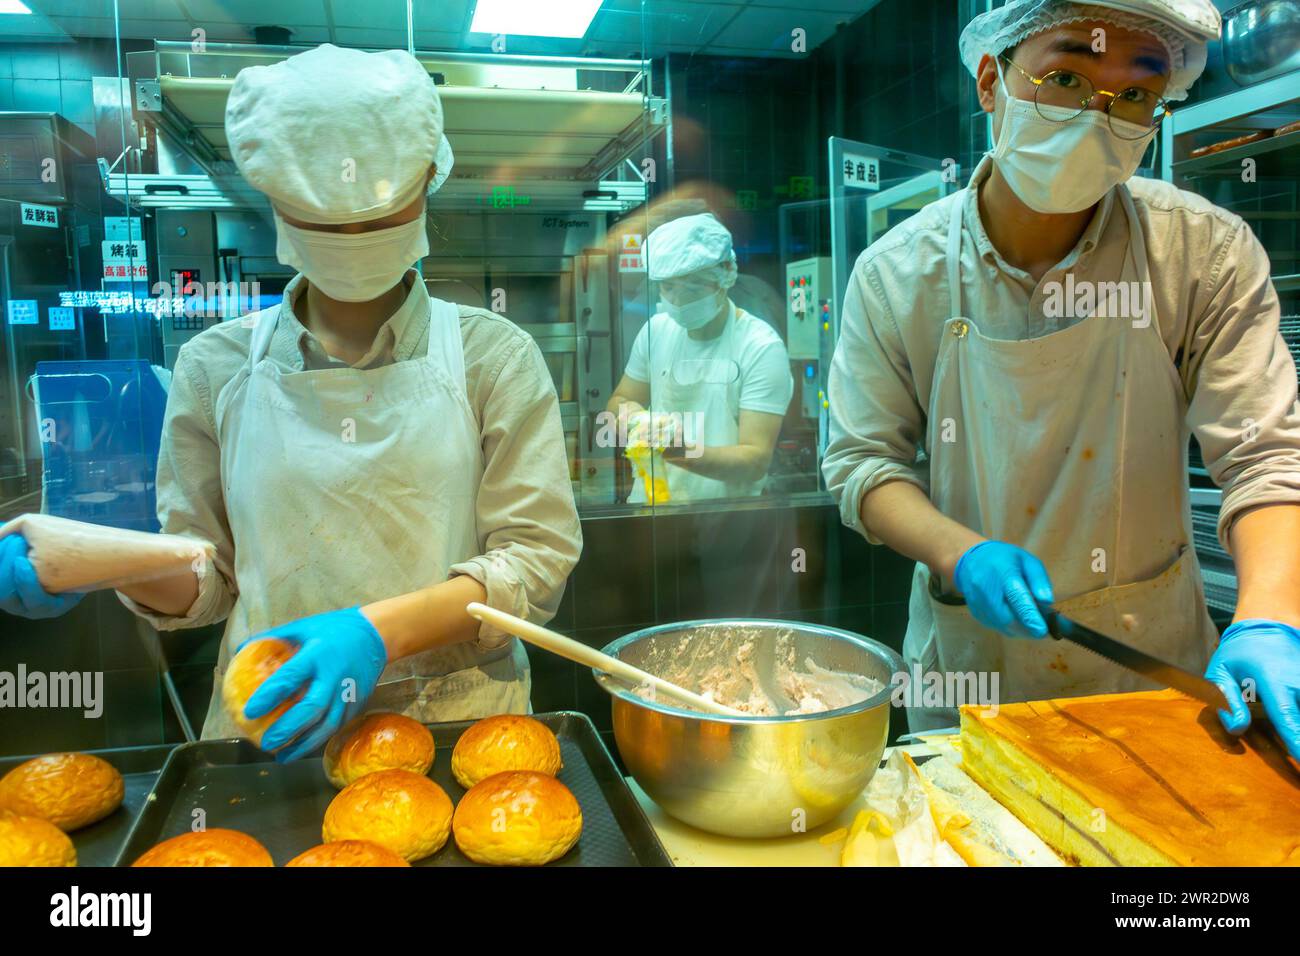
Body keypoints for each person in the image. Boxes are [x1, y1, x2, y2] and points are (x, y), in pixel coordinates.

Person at [0, 44, 581, 758]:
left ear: (429, 181)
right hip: (272, 725)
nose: (355, 241)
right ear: (273, 201)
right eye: (325, 222)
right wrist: (104, 565)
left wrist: (376, 632)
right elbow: (207, 577)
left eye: (377, 217)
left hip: (460, 730)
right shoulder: (214, 365)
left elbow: (536, 564)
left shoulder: (495, 358)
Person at [823, 0, 1300, 755]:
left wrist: (1271, 616)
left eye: (1134, 95)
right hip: (973, 682)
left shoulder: (1201, 253)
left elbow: (1265, 457)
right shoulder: (897, 274)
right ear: (991, 80)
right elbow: (860, 464)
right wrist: (958, 550)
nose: (1094, 117)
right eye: (1066, 78)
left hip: (1149, 682)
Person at [608, 213, 793, 503]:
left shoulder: (760, 346)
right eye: (668, 287)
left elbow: (755, 460)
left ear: (726, 276)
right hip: (652, 510)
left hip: (727, 520)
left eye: (692, 287)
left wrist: (680, 452)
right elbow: (619, 400)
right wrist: (634, 418)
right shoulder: (655, 331)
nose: (678, 300)